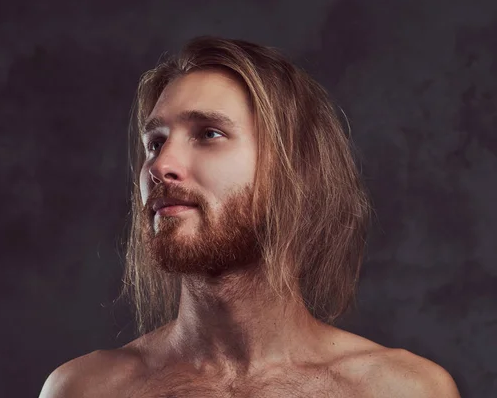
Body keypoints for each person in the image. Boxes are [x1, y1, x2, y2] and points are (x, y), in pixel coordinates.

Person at [39, 36, 460, 397]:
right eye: (155, 142)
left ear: (293, 169)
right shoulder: (84, 389)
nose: (161, 164)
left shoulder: (400, 390)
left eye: (209, 134)